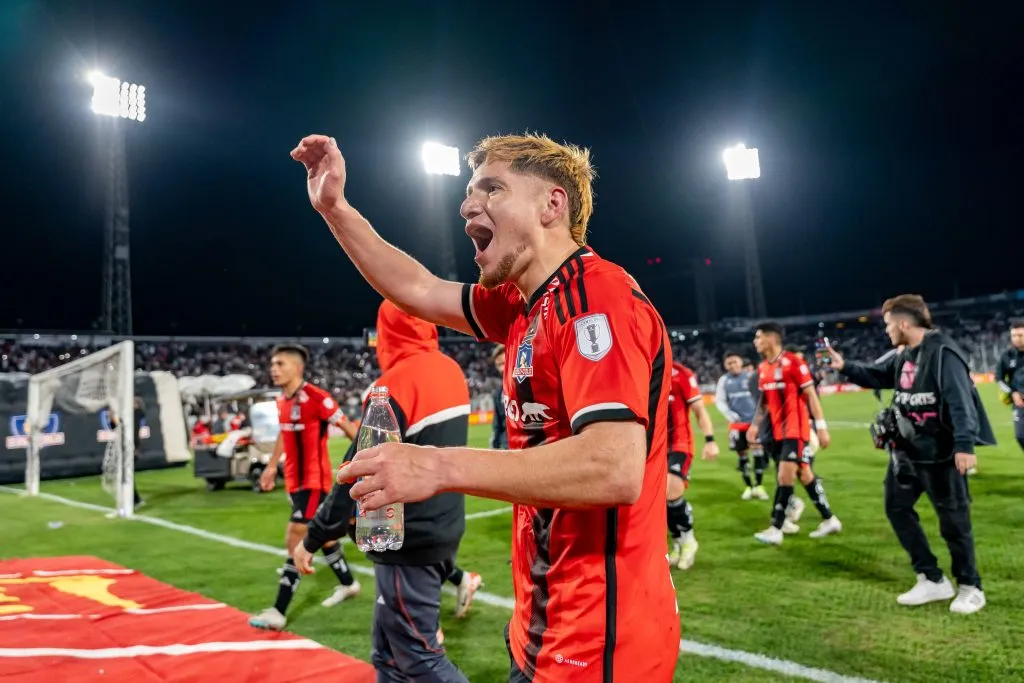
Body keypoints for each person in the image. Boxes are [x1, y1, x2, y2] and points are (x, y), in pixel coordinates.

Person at [291, 132, 680, 681]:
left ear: (552, 204)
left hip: (598, 642)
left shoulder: (596, 298)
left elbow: (612, 466)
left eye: (492, 189)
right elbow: (419, 289)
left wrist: (437, 466)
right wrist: (335, 209)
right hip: (546, 619)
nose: (467, 206)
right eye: (470, 192)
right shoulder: (524, 305)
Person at [296, 301, 476, 681]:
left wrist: (313, 538)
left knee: (418, 657)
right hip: (444, 526)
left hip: (407, 538)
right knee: (388, 655)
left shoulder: (395, 384)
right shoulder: (451, 370)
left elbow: (356, 471)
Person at [827, 295, 996, 614]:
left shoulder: (943, 352)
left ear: (904, 324)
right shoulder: (903, 354)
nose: (886, 330)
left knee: (954, 523)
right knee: (897, 508)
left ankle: (971, 587)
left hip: (941, 453)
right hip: (906, 453)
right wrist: (844, 367)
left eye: (888, 324)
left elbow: (961, 401)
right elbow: (877, 375)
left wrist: (964, 445)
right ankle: (931, 578)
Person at [248, 344, 361, 631]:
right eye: (272, 364)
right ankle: (349, 584)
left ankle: (278, 610)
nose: (274, 369)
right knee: (326, 538)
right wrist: (271, 466)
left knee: (294, 537)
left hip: (314, 482)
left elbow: (350, 430)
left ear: (298, 367)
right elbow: (283, 434)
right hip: (294, 483)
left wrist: (367, 462)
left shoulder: (317, 398)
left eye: (280, 364)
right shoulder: (282, 401)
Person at [747, 322, 841, 545]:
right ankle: (830, 519)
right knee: (804, 475)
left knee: (784, 476)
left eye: (759, 337)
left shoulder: (793, 362)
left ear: (772, 338)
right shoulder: (763, 368)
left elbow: (811, 395)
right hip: (777, 433)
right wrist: (754, 426)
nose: (755, 342)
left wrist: (821, 427)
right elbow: (764, 403)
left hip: (795, 430)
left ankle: (776, 528)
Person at [666, 360, 718, 570]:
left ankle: (689, 540)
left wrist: (710, 440)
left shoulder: (681, 374)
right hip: (653, 448)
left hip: (679, 443)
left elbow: (699, 410)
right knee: (660, 499)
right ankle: (678, 542)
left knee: (671, 489)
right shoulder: (641, 371)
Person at [714, 351, 766, 500]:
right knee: (742, 456)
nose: (732, 365)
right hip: (737, 425)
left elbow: (761, 397)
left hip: (754, 423)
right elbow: (720, 401)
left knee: (758, 453)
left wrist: (759, 416)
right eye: (729, 363)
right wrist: (730, 415)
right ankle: (748, 487)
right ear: (725, 365)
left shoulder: (751, 377)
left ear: (741, 362)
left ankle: (759, 486)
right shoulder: (724, 380)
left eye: (735, 362)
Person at [995, 318, 1024, 454]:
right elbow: (999, 378)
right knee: (1021, 436)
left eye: (1020, 335)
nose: (1017, 339)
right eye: (1014, 335)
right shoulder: (1007, 356)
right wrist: (1013, 392)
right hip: (1020, 403)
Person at [490, 344, 508, 449]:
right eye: (498, 365)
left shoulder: (529, 388)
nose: (501, 369)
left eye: (504, 363)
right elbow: (497, 425)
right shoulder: (498, 394)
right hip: (508, 449)